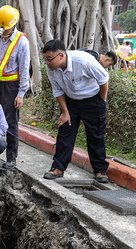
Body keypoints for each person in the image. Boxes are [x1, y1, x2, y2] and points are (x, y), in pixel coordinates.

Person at [41, 39, 110, 184]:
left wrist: (101, 101)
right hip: (71, 101)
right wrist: (65, 111)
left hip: (92, 100)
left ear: (61, 56)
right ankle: (58, 167)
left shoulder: (83, 61)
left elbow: (103, 79)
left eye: (49, 59)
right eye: (45, 59)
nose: (47, 63)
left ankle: (100, 170)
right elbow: (57, 90)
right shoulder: (51, 68)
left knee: (95, 136)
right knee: (65, 132)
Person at [0, 5, 30, 169]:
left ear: (13, 24)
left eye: (5, 27)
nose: (2, 30)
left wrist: (21, 94)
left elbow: (24, 69)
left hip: (12, 86)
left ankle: (11, 158)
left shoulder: (22, 41)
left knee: (10, 123)